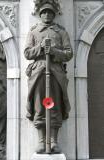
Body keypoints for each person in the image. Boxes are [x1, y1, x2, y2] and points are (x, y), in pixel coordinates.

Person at [24, 2, 73, 153]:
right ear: (40, 14)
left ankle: (53, 140)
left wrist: (53, 50)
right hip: (38, 72)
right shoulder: (34, 32)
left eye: (50, 12)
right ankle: (41, 141)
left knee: (55, 104)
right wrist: (40, 48)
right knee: (39, 105)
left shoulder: (61, 32)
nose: (47, 15)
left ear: (54, 14)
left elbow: (68, 53)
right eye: (44, 12)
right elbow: (27, 53)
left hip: (56, 73)